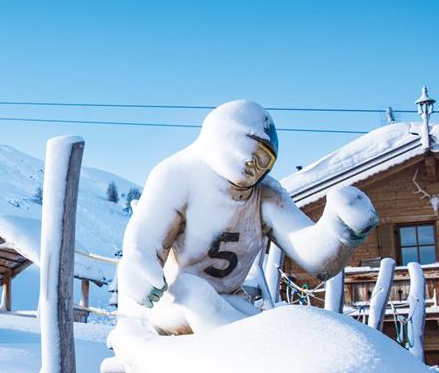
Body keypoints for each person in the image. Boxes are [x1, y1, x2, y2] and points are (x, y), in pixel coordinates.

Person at [118, 100, 378, 335]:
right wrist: (138, 265)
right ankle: (240, 356)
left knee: (268, 325)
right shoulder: (178, 175)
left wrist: (338, 229)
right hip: (173, 303)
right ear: (227, 138)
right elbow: (145, 237)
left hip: (230, 302)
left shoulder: (265, 195)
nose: (256, 165)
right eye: (253, 151)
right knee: (193, 290)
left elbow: (313, 256)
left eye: (266, 161)